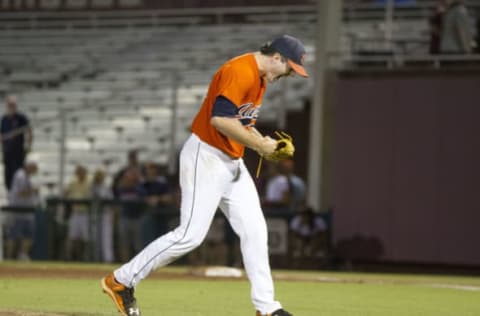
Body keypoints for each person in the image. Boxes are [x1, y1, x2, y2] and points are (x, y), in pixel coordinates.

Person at [101, 34, 308, 316]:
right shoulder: (240, 71)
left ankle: (267, 308)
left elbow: (241, 122)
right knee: (190, 235)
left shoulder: (258, 77)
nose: (288, 75)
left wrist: (263, 145)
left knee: (256, 231)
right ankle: (121, 281)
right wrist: (259, 145)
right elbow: (219, 120)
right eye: (289, 69)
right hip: (206, 156)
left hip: (232, 161)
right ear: (277, 58)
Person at [4, 161, 39, 260]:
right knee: (13, 235)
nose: (35, 171)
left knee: (29, 235)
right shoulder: (20, 176)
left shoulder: (27, 177)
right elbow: (21, 192)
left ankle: (22, 255)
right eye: (34, 168)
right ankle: (9, 257)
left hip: (27, 211)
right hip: (18, 210)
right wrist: (33, 190)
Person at [1, 95, 33, 192]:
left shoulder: (21, 118)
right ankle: (10, 195)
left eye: (13, 104)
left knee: (18, 175)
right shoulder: (4, 119)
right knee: (8, 176)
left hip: (18, 152)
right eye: (10, 104)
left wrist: (28, 145)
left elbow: (29, 130)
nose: (12, 107)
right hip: (7, 153)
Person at [64, 165, 91, 261]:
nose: (79, 174)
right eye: (78, 172)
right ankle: (71, 257)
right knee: (73, 237)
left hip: (86, 214)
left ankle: (86, 257)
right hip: (75, 213)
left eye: (81, 172)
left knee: (86, 238)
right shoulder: (72, 182)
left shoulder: (89, 182)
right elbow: (66, 194)